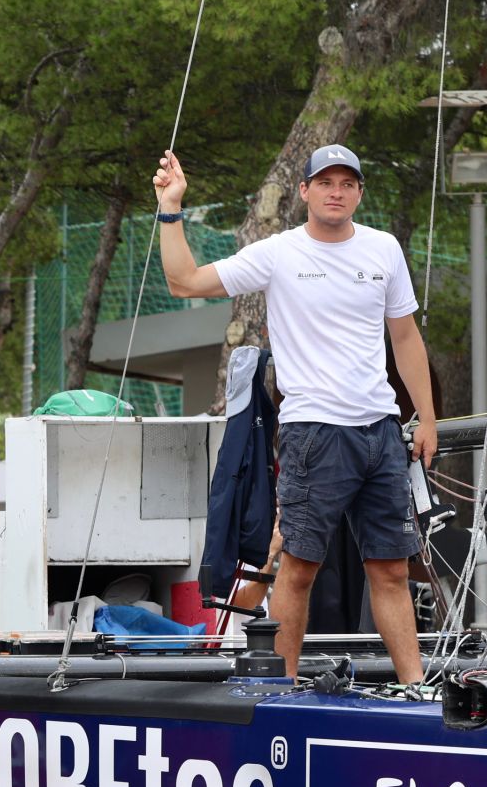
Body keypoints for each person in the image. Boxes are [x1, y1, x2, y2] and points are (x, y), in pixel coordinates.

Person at [154, 144, 437, 683]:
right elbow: (184, 282)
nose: (337, 192)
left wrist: (424, 417)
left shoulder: (383, 249)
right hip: (313, 433)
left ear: (358, 192)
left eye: (347, 183)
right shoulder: (279, 252)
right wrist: (171, 208)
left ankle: (415, 689)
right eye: (325, 182)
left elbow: (405, 336)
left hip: (380, 430)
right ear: (304, 191)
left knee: (393, 570)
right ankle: (280, 689)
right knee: (300, 568)